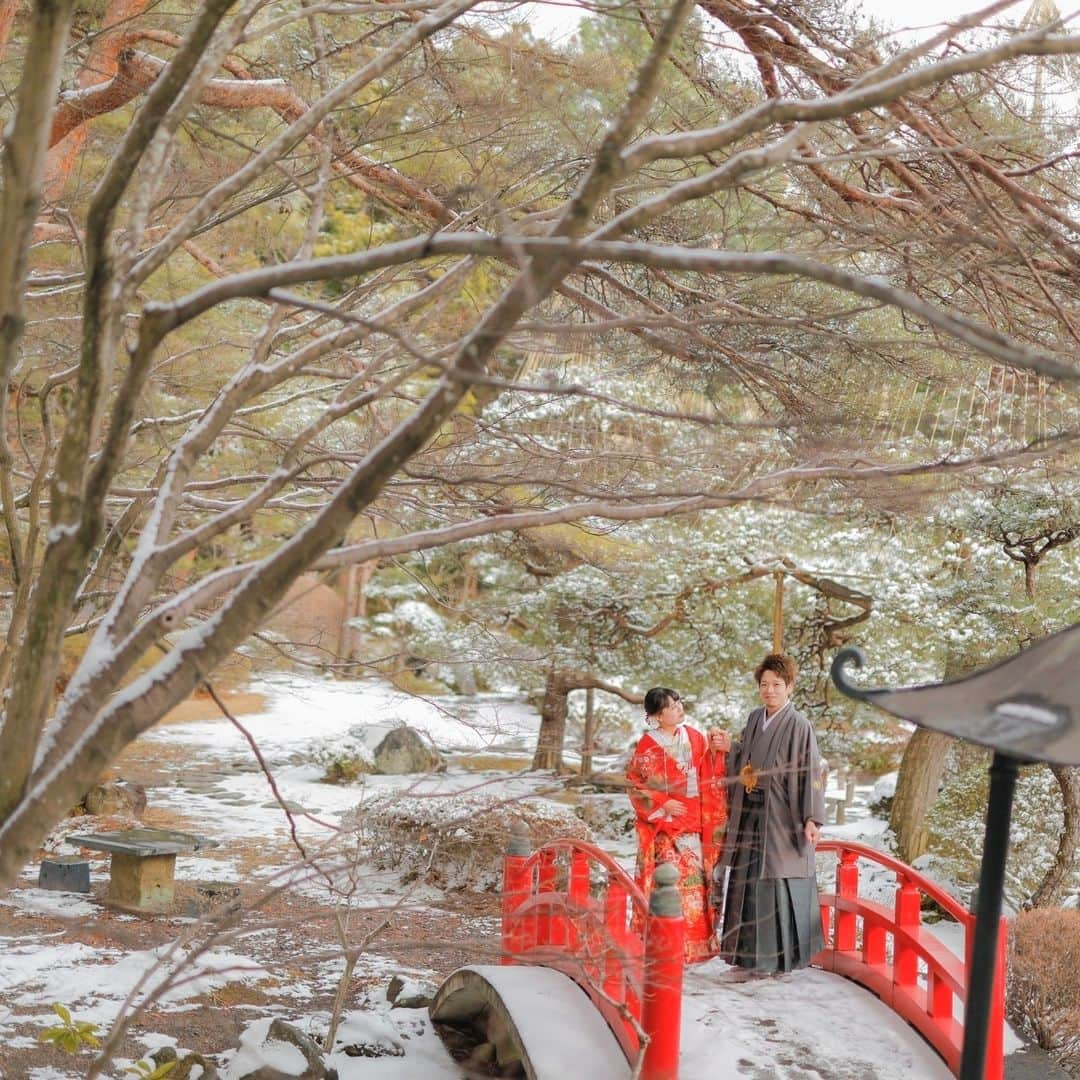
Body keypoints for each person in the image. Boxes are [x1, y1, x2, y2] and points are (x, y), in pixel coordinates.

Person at [715, 653, 825, 974]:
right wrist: (730, 750)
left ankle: (775, 960)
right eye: (764, 684)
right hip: (750, 813)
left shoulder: (799, 725)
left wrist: (811, 817)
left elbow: (811, 772)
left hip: (781, 816)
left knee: (776, 883)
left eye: (777, 684)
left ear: (789, 686)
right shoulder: (754, 718)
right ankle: (745, 955)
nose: (770, 690)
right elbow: (746, 760)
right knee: (746, 881)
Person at [626, 687, 730, 962]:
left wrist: (717, 749)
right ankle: (666, 946)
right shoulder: (648, 745)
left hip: (695, 819)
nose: (679, 709)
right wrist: (662, 803)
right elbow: (636, 784)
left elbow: (710, 770)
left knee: (696, 885)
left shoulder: (694, 737)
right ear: (658, 716)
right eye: (672, 707)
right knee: (670, 884)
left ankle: (696, 947)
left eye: (679, 703)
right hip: (666, 827)